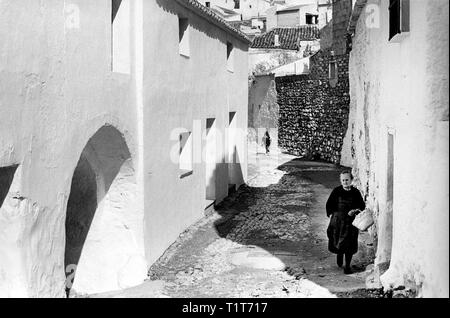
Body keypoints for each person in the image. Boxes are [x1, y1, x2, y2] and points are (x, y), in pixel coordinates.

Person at [326, 170, 365, 274]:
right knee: (338, 241)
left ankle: (347, 266)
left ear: (351, 180)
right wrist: (331, 214)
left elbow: (361, 206)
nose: (345, 182)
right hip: (338, 222)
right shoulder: (336, 191)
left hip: (351, 223)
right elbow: (329, 204)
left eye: (347, 180)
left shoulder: (355, 192)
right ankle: (339, 254)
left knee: (350, 244)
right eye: (343, 180)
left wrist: (355, 211)